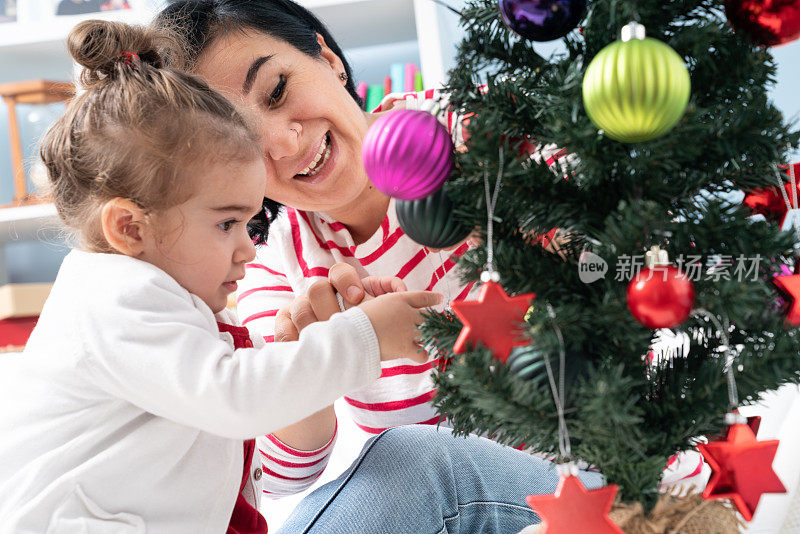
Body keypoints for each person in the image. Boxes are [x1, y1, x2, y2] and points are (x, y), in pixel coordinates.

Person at [0, 19, 445, 533]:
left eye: (250, 221)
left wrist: (321, 331)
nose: (247, 247)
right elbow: (238, 397)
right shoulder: (115, 297)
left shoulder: (163, 302)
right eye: (227, 223)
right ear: (129, 227)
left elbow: (234, 398)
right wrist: (365, 335)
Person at [154, 0, 577, 492]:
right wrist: (318, 358)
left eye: (277, 90)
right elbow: (277, 477)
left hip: (609, 478)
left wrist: (531, 247)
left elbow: (641, 261)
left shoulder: (483, 131)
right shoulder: (276, 263)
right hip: (474, 518)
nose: (284, 144)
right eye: (239, 138)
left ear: (327, 58)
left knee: (408, 454)